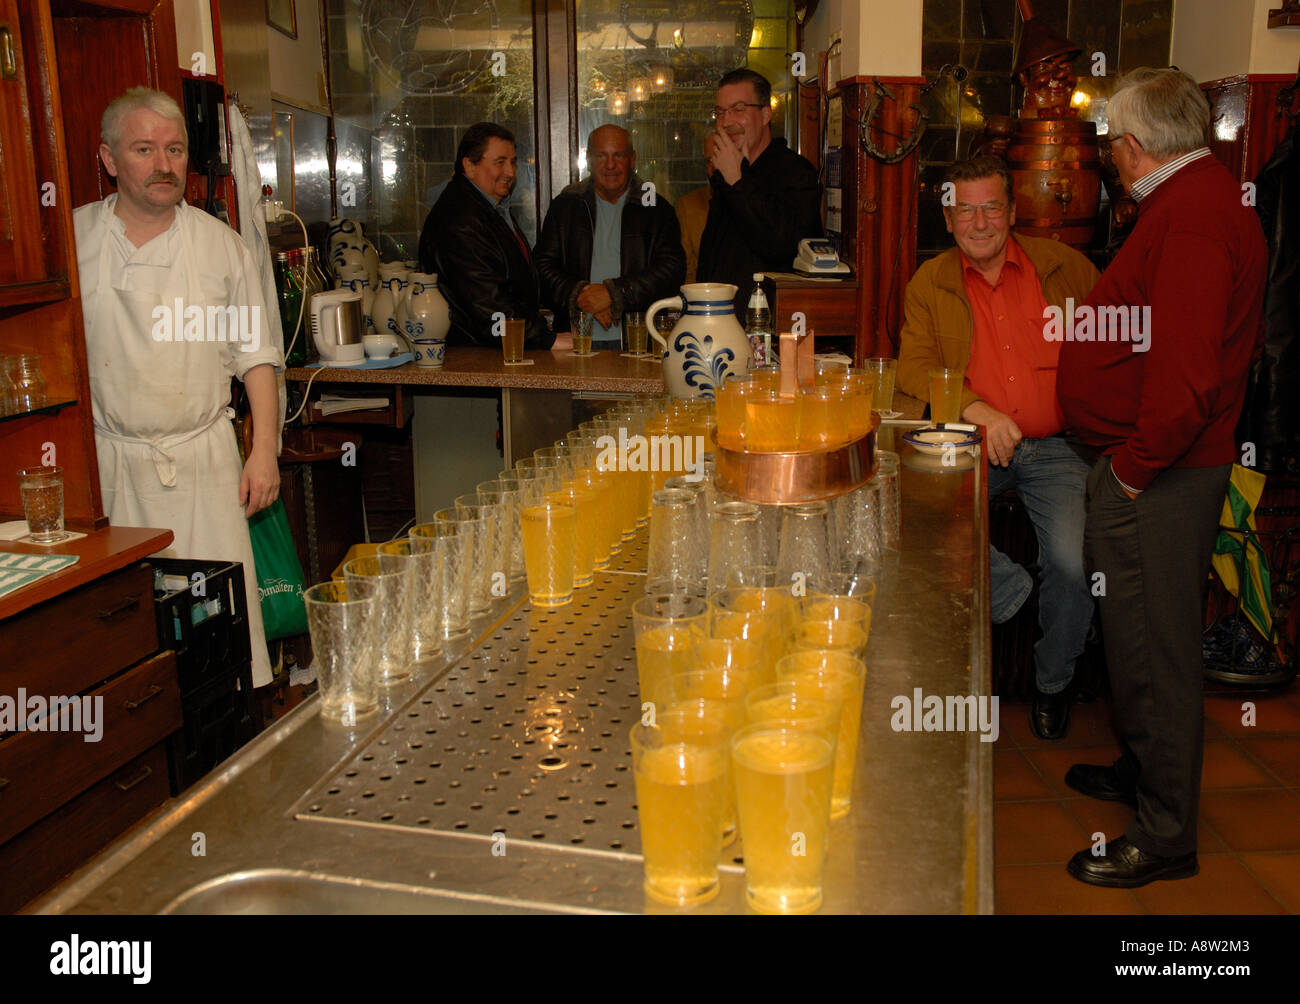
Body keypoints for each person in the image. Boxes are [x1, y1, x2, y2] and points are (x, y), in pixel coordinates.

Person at [1058, 68, 1268, 887]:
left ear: (1133, 146)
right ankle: (1145, 770)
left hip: (1163, 474)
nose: (1112, 158)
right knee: (1134, 638)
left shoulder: (1191, 221)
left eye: (1113, 144)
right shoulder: (1193, 200)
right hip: (1153, 465)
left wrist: (1133, 474)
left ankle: (1166, 833)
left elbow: (1186, 384)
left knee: (1157, 649)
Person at [73, 87, 282, 687]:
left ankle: (228, 739)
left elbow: (256, 358)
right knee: (125, 631)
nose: (164, 165)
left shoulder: (221, 247)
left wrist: (262, 450)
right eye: (144, 149)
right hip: (110, 469)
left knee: (219, 630)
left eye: (174, 149)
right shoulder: (73, 241)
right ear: (110, 160)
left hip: (203, 466)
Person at [896, 155, 1099, 741]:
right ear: (949, 217)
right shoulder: (930, 281)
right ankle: (1016, 592)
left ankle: (1053, 682)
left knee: (1072, 563)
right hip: (967, 442)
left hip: (1057, 447)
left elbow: (1113, 347)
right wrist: (977, 410)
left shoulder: (1065, 268)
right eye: (965, 209)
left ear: (1012, 212)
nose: (978, 221)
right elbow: (912, 366)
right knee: (912, 518)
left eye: (991, 207)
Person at [535, 125, 685, 348]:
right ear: (588, 159)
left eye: (619, 155)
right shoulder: (565, 205)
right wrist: (580, 295)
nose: (610, 165)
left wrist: (614, 294)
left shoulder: (656, 208)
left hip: (639, 341)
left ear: (632, 159)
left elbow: (672, 271)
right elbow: (541, 267)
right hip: (573, 340)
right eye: (601, 155)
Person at [418, 122, 553, 348]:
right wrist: (545, 338)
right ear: (469, 167)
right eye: (500, 162)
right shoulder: (460, 219)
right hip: (474, 358)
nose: (510, 172)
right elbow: (486, 302)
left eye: (512, 162)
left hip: (489, 350)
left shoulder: (486, 207)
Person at [696, 69, 822, 309]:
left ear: (765, 115)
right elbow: (711, 259)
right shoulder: (725, 173)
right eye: (720, 112)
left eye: (739, 109)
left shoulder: (795, 172)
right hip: (720, 321)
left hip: (771, 326)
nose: (727, 122)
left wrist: (737, 181)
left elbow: (780, 246)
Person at [676, 132, 720, 284]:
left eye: (719, 157)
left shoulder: (755, 204)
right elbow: (685, 273)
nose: (714, 167)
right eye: (709, 160)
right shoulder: (689, 206)